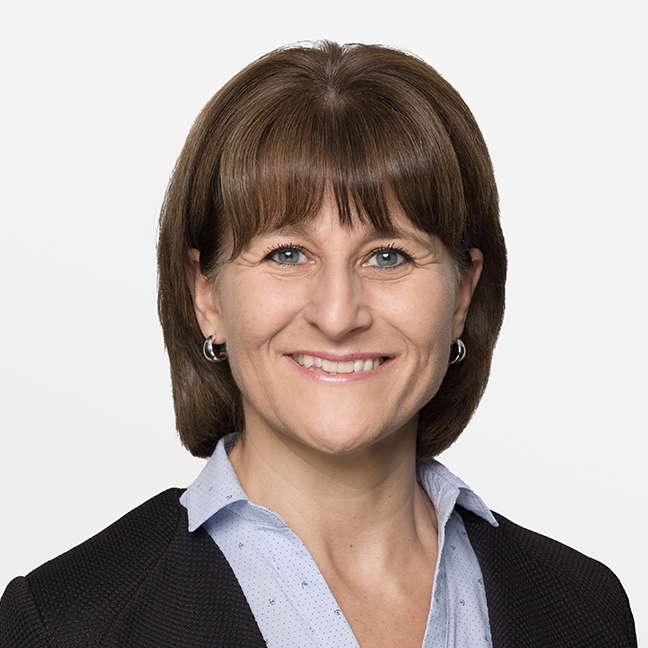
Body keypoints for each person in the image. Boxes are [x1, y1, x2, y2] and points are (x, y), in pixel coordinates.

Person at [0, 41, 636, 648]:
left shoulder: (586, 611)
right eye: (287, 254)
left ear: (462, 294)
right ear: (206, 295)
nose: (337, 316)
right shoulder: (64, 628)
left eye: (388, 256)